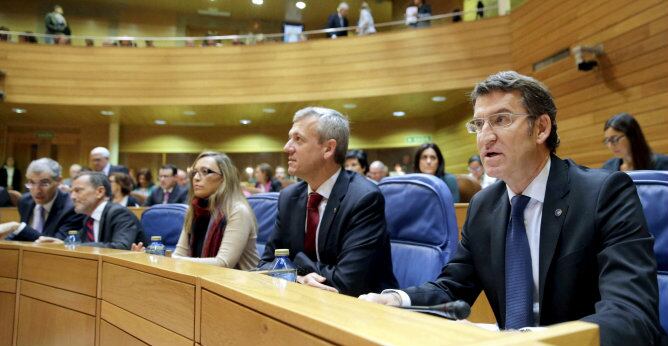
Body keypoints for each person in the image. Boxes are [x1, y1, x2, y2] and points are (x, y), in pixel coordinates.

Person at [359, 71, 662, 345]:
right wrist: (397, 300)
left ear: (541, 128)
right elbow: (453, 287)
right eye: (478, 124)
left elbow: (630, 313)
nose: (486, 136)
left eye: (501, 120)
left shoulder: (603, 194)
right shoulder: (484, 206)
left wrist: (535, 340)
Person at [259, 107, 397, 296]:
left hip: (360, 311)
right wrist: (298, 279)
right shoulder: (288, 198)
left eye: (298, 139)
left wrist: (296, 262)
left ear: (328, 148)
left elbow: (346, 282)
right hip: (304, 303)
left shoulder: (364, 198)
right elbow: (265, 264)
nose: (287, 147)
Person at [135, 152, 259, 269]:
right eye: (195, 172)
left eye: (205, 172)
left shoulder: (238, 210)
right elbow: (180, 254)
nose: (196, 178)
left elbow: (224, 263)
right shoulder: (195, 209)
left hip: (240, 284)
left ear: (224, 178)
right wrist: (151, 257)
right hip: (201, 280)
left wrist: (166, 258)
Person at [37, 172, 145, 249]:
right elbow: (79, 243)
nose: (72, 197)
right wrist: (62, 243)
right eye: (71, 191)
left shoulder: (119, 214)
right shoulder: (88, 219)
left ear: (99, 192)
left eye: (78, 191)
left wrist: (71, 246)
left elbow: (121, 247)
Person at [0, 158, 83, 241]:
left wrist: (17, 227)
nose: (37, 190)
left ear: (59, 181)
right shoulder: (25, 201)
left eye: (44, 183)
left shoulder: (72, 208)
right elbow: (23, 237)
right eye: (31, 182)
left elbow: (56, 243)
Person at [601, 112, 668, 171]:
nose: (610, 145)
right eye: (607, 140)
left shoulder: (663, 164)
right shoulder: (607, 168)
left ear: (632, 136)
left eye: (615, 139)